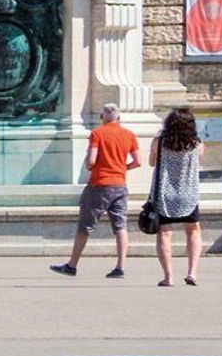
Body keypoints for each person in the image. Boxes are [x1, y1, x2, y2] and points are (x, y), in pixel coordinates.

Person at [55, 104, 140, 278]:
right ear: (119, 118)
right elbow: (138, 161)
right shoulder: (129, 135)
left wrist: (89, 164)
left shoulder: (97, 133)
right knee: (120, 226)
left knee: (85, 226)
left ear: (102, 117)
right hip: (120, 184)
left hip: (99, 184)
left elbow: (92, 160)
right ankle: (120, 267)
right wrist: (123, 168)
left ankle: (72, 265)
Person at [146, 108, 205, 288]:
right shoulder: (197, 143)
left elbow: (151, 163)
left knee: (164, 233)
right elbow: (199, 161)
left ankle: (168, 277)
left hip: (164, 193)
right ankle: (192, 272)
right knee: (193, 230)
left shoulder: (159, 141)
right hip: (188, 194)